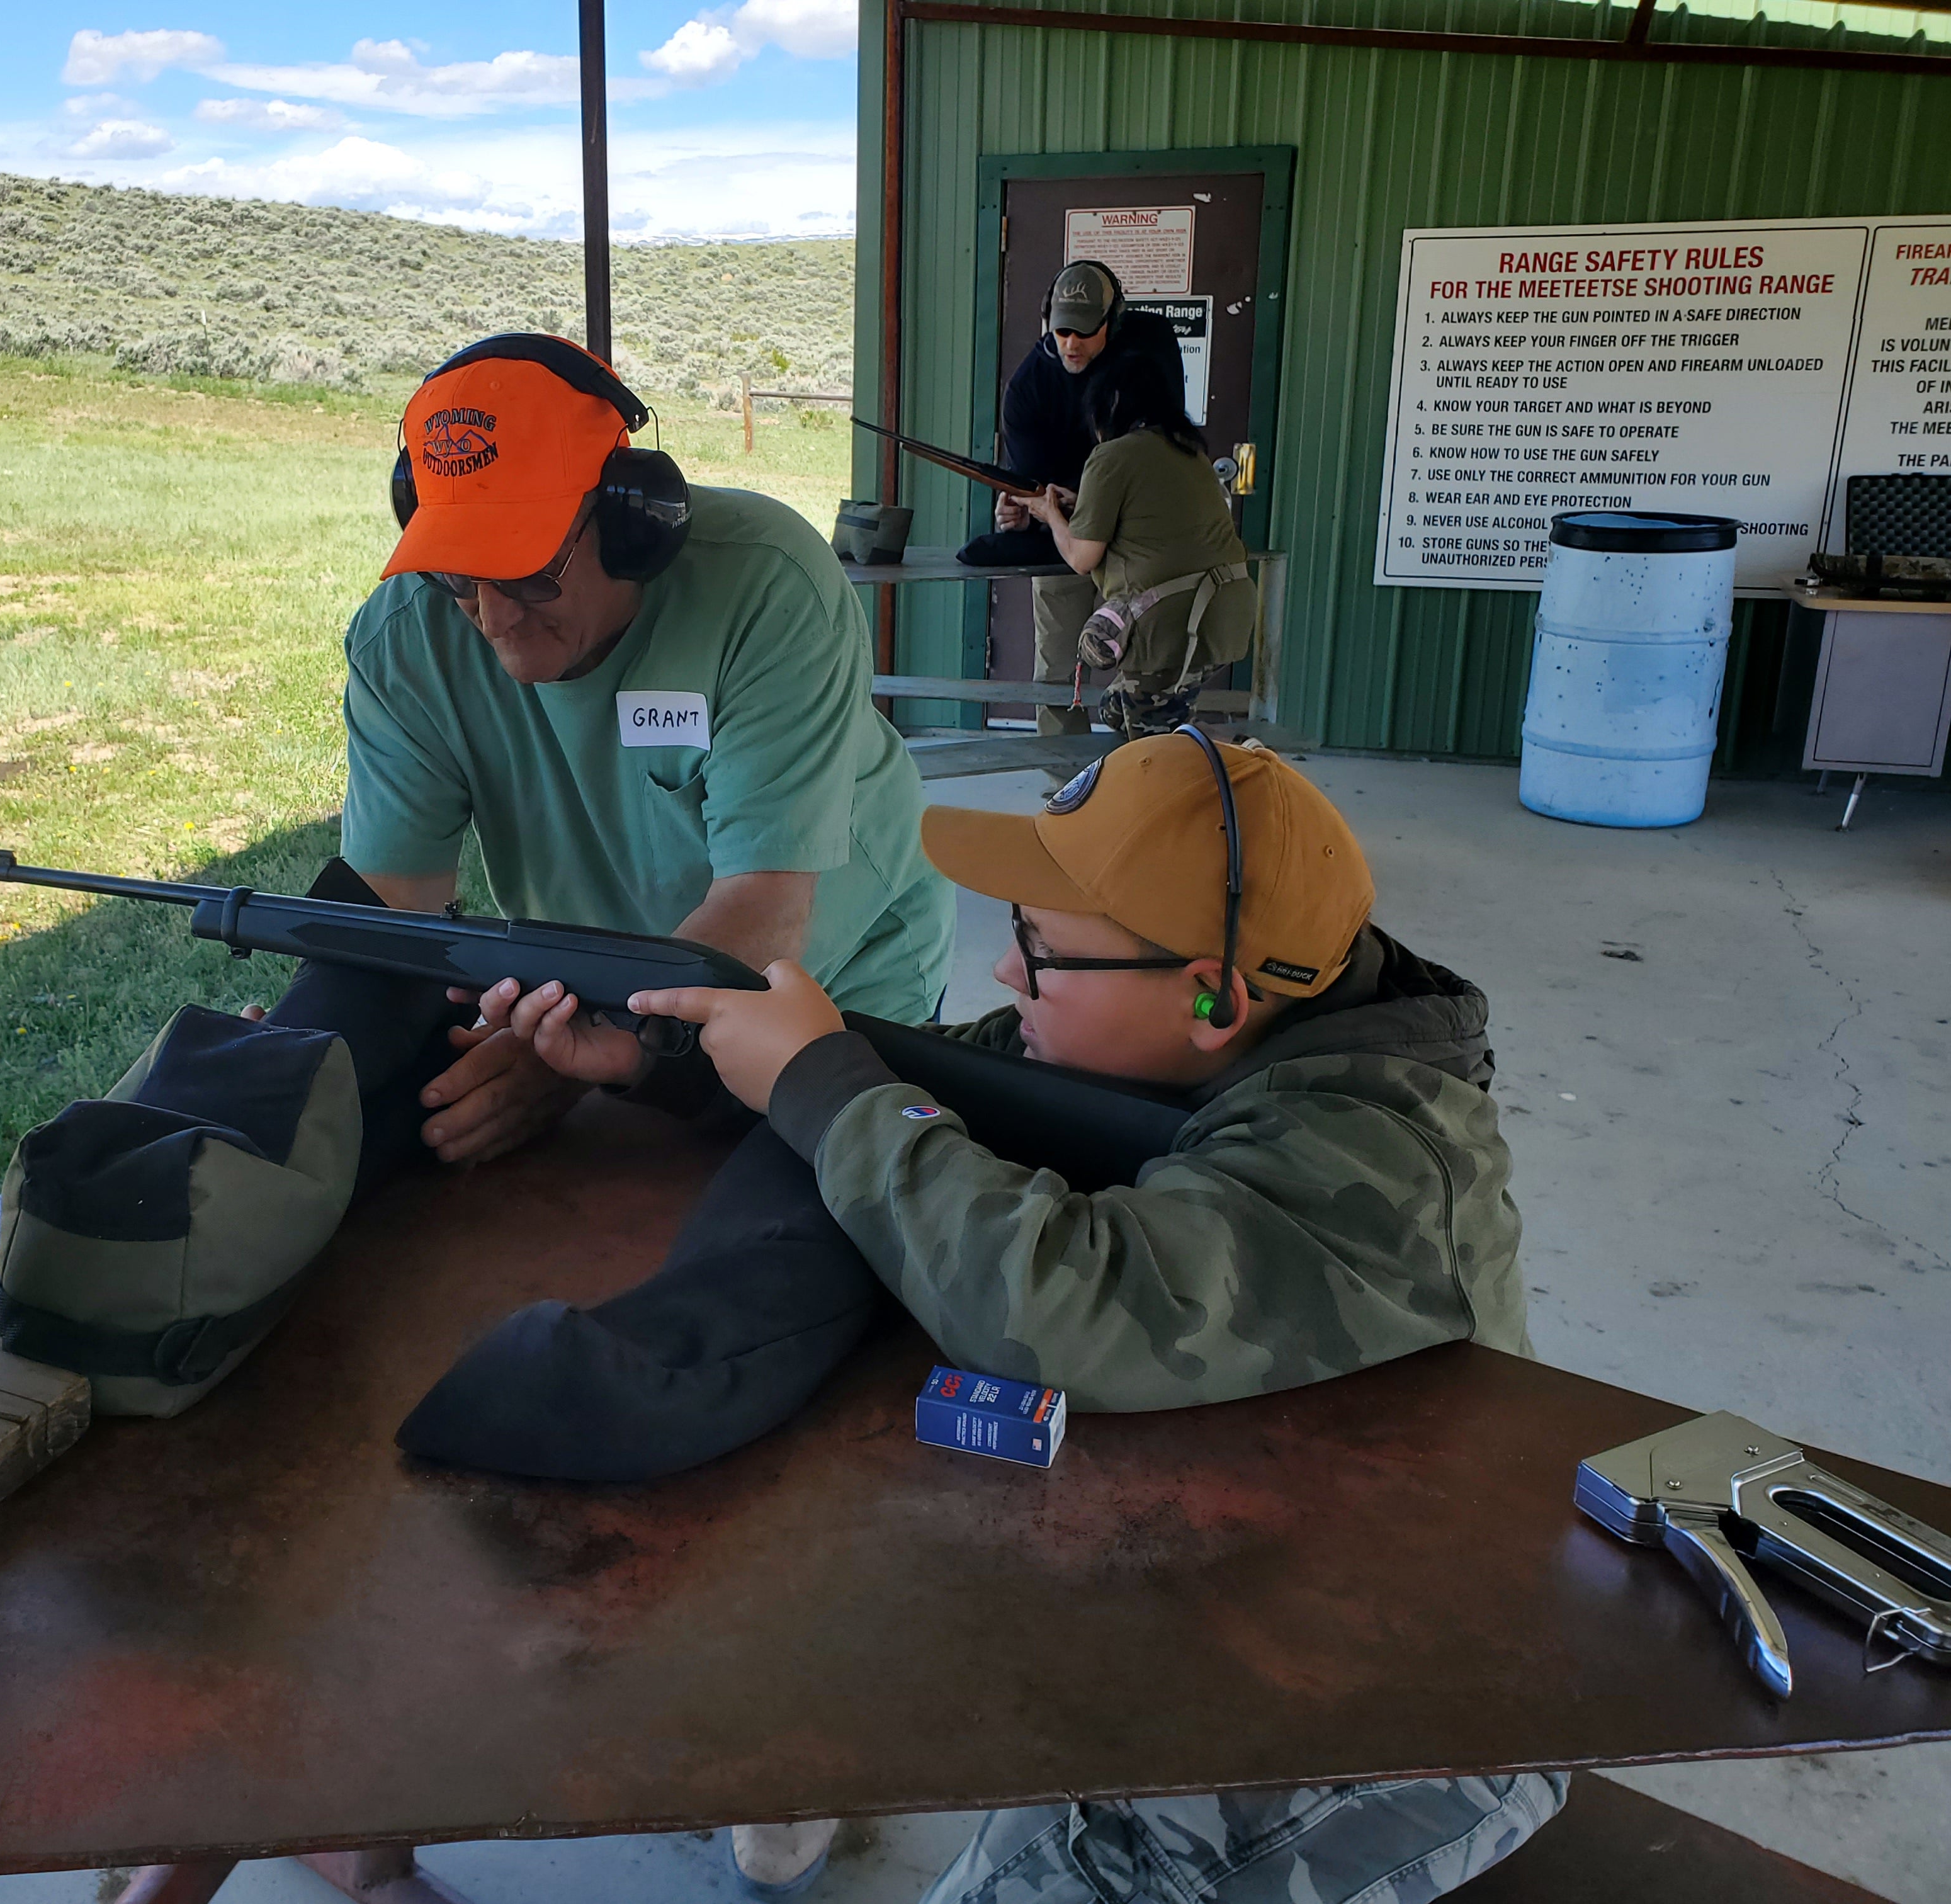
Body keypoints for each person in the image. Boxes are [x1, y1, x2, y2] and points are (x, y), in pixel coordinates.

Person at [479, 731, 1567, 1903]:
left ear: (1216, 996)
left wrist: (823, 1088)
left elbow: (1057, 1301)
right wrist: (675, 1060)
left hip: (1377, 1732)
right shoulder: (1215, 1045)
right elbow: (935, 1087)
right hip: (1210, 1599)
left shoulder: (1378, 1162)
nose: (1005, 975)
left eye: (1040, 952)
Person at [298, 332, 951, 1170]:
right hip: (596, 998)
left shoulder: (767, 587)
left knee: (811, 1195)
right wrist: (313, 1045)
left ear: (631, 522)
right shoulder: (404, 640)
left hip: (838, 970)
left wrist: (594, 1043)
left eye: (531, 572)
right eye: (459, 574)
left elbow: (765, 909)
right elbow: (395, 913)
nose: (494, 618)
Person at [992, 260, 1185, 737]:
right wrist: (1020, 505)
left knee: (1145, 669)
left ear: (1113, 322)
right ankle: (1067, 796)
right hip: (1064, 539)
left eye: (1084, 332)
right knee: (1058, 670)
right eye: (1061, 332)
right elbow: (1032, 486)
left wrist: (1097, 502)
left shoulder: (1150, 349)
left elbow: (1167, 448)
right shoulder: (1027, 389)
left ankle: (1139, 785)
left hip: (1138, 540)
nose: (1071, 344)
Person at [1023, 353, 1257, 740]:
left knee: (1157, 750)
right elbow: (1149, 518)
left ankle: (1238, 757)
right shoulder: (1189, 451)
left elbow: (1082, 558)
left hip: (1170, 632)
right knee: (1118, 710)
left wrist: (1051, 515)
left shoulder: (1112, 455)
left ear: (1111, 406)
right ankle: (1216, 749)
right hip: (1226, 618)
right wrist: (1080, 504)